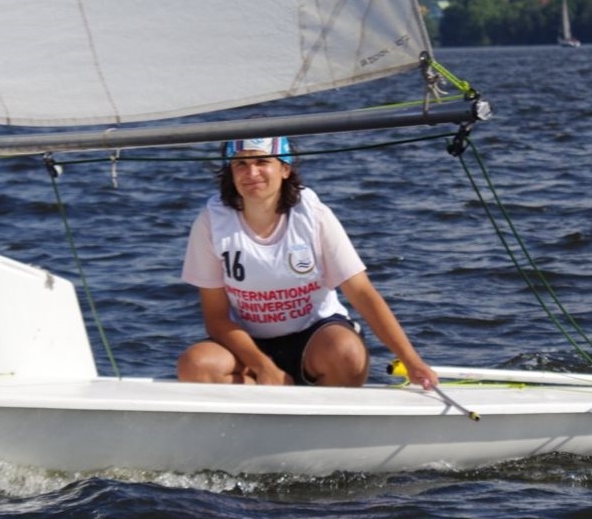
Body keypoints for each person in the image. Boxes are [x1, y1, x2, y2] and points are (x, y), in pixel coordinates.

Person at [176, 136, 438, 390]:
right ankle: (268, 400)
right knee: (195, 365)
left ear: (285, 169)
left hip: (314, 335)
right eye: (240, 164)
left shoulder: (313, 214)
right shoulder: (211, 221)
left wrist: (410, 360)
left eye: (262, 162)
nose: (251, 172)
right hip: (247, 343)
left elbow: (361, 291)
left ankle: (317, 407)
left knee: (347, 354)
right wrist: (263, 366)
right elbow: (216, 318)